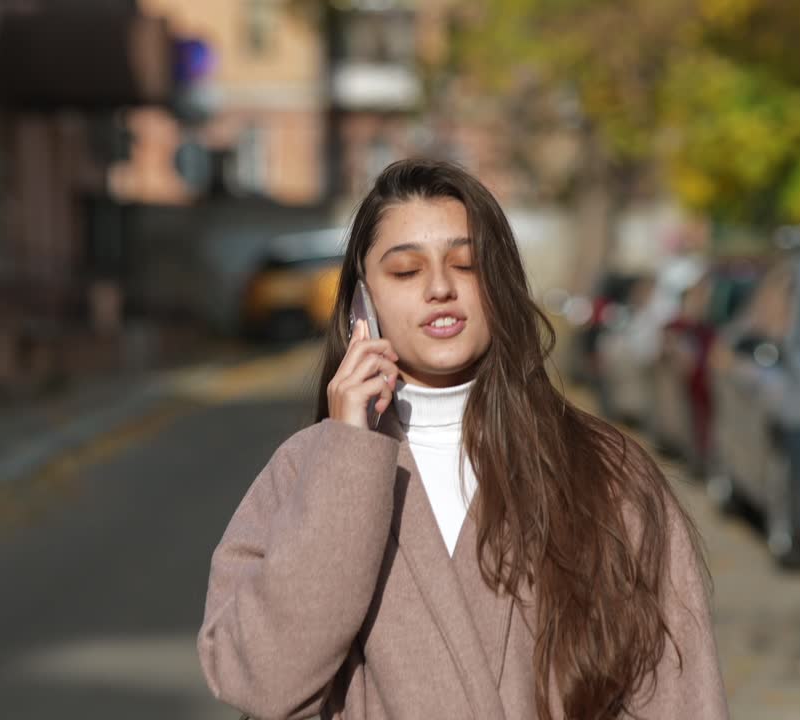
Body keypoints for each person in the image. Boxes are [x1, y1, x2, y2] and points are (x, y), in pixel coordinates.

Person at [198, 159, 728, 720]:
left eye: (467, 265)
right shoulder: (303, 474)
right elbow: (259, 680)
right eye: (405, 272)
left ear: (500, 284)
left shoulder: (606, 473)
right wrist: (349, 452)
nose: (440, 289)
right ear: (363, 303)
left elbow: (678, 694)